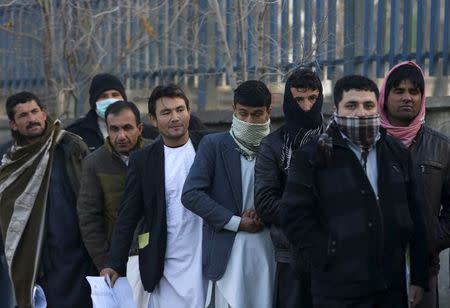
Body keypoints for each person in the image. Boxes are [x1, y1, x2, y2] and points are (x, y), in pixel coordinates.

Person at [281, 75, 428, 308]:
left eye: (368, 105)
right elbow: (293, 217)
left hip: (391, 288)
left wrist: (419, 277)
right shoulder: (314, 154)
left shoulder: (396, 154)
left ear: (377, 106)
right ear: (336, 108)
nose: (361, 113)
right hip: (337, 291)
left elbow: (418, 217)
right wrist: (327, 253)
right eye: (352, 105)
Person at [101, 85, 206, 307]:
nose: (175, 117)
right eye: (166, 112)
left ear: (189, 111)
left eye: (180, 109)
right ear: (154, 120)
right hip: (164, 265)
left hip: (206, 259)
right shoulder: (143, 160)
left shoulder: (209, 146)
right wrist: (114, 263)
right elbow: (127, 216)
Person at [182, 80, 276, 308]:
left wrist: (267, 212)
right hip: (228, 252)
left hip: (268, 250)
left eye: (256, 114)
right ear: (233, 109)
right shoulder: (213, 145)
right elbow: (191, 194)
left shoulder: (277, 146)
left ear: (268, 113)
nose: (249, 121)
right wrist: (236, 222)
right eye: (243, 113)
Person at [0, 91, 96, 307]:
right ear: (13, 124)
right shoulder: (9, 161)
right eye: (23, 115)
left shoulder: (69, 147)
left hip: (76, 257)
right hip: (35, 261)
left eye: (35, 112)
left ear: (44, 114)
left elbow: (91, 198)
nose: (32, 119)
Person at [378, 61, 450, 308]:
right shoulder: (369, 144)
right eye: (399, 91)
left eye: (414, 91)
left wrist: (429, 240)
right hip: (376, 268)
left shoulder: (441, 147)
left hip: (425, 270)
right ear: (384, 97)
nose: (407, 98)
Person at [255, 68, 324, 308]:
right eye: (299, 99)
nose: (306, 107)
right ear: (288, 101)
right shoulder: (273, 145)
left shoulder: (335, 140)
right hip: (290, 254)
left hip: (332, 253)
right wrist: (309, 213)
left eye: (313, 98)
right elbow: (264, 203)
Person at [77, 100, 150, 307]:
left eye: (127, 128)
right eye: (114, 129)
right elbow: (89, 218)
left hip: (153, 256)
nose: (121, 136)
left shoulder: (155, 154)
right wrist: (107, 263)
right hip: (117, 264)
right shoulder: (94, 163)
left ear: (140, 128)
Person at [67, 73, 159, 151]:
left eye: (115, 95)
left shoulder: (149, 134)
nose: (110, 100)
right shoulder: (75, 134)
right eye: (104, 96)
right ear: (94, 103)